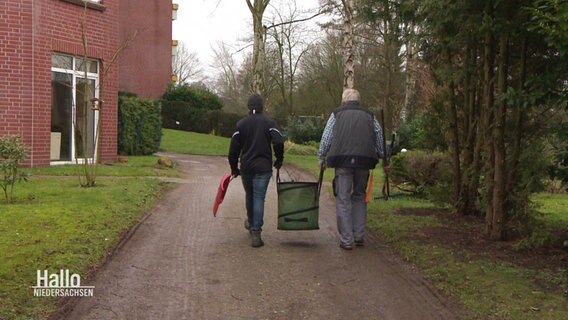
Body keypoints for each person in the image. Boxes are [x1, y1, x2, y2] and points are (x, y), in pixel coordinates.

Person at [318, 88, 385, 250]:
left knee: (343, 199)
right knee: (360, 196)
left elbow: (327, 137)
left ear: (344, 100)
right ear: (358, 100)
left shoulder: (336, 114)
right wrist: (382, 154)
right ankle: (359, 235)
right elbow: (378, 135)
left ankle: (347, 240)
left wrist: (322, 156)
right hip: (364, 161)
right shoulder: (370, 116)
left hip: (342, 161)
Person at [228, 94, 285, 248]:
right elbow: (279, 141)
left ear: (248, 106)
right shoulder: (269, 122)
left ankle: (251, 221)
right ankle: (256, 231)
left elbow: (233, 150)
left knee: (250, 195)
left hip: (247, 166)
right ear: (262, 107)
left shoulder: (241, 124)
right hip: (263, 167)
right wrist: (279, 159)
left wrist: (234, 168)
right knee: (259, 197)